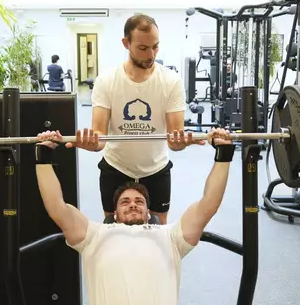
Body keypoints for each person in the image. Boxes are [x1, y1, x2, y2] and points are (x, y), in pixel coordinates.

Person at [34, 128, 235, 305]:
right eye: (125, 202)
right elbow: (57, 207)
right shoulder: (94, 236)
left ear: (149, 213)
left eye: (139, 202)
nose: (132, 204)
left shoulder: (171, 237)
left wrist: (223, 154)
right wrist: (43, 157)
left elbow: (208, 204)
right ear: (114, 214)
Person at [64, 14, 202, 225]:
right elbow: (100, 136)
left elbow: (174, 139)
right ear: (126, 43)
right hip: (116, 167)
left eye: (155, 47)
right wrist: (90, 143)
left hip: (156, 169)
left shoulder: (171, 81)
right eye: (143, 48)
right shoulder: (107, 81)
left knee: (158, 232)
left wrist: (180, 143)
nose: (151, 54)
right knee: (113, 232)